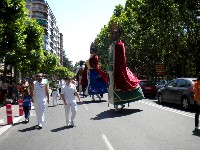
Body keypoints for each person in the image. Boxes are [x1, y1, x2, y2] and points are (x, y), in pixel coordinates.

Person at [108, 21, 144, 111]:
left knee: (121, 86)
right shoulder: (112, 45)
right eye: (111, 33)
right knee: (113, 87)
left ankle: (118, 104)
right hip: (112, 70)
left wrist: (119, 70)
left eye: (114, 33)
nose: (112, 35)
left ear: (118, 34)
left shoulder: (120, 45)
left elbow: (121, 60)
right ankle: (117, 104)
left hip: (118, 69)